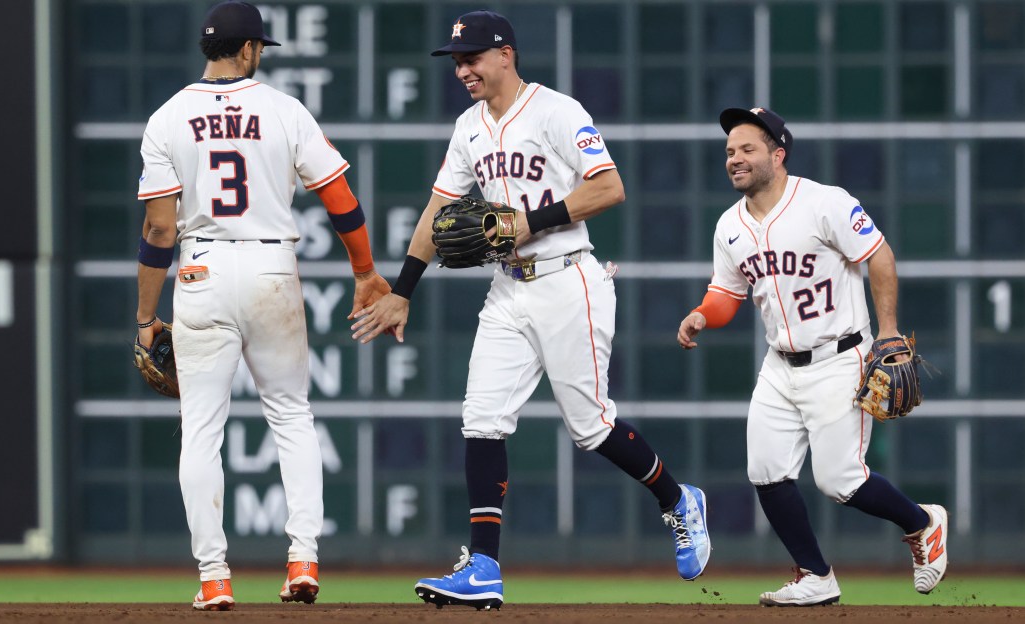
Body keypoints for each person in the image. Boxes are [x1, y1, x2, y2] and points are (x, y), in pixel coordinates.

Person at [350, 9, 710, 610]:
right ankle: (484, 564)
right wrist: (402, 290)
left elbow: (609, 187)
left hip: (571, 281)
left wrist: (529, 221)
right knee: (481, 418)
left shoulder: (556, 111)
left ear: (506, 55)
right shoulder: (468, 127)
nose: (462, 70)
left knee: (591, 428)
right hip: (509, 290)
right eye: (457, 62)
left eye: (472, 58)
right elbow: (437, 218)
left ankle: (679, 501)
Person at [134, 0, 390, 611]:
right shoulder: (284, 110)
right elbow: (341, 199)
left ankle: (214, 578)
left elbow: (160, 229)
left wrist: (146, 318)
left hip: (201, 269)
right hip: (273, 265)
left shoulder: (166, 118)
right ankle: (302, 560)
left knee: (200, 430)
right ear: (250, 50)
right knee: (291, 415)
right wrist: (365, 272)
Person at [677, 107, 949, 606]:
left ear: (778, 155)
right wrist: (702, 314)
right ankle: (815, 576)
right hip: (779, 364)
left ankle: (922, 523)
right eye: (730, 152)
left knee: (839, 480)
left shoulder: (824, 203)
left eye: (747, 149)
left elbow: (879, 255)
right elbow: (726, 293)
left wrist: (887, 331)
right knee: (765, 471)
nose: (735, 159)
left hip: (839, 356)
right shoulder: (729, 226)